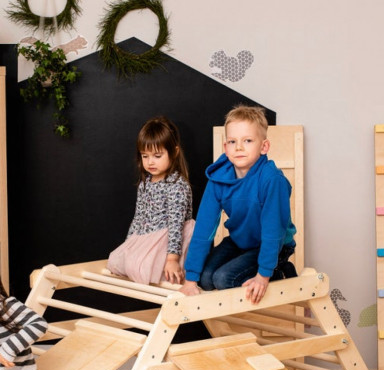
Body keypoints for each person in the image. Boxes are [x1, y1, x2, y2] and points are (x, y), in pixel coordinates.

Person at [181, 105, 297, 303]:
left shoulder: (271, 180)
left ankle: (280, 271)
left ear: (264, 147)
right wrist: (190, 278)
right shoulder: (219, 179)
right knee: (206, 279)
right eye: (233, 142)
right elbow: (204, 228)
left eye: (248, 141)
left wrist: (263, 275)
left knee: (223, 279)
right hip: (239, 241)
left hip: (272, 245)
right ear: (225, 148)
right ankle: (205, 275)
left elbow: (273, 231)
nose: (239, 147)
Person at [107, 115, 195, 285]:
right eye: (145, 156)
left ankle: (167, 264)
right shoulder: (145, 183)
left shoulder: (177, 185)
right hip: (147, 236)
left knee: (139, 267)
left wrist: (172, 259)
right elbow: (138, 217)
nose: (150, 162)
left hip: (169, 239)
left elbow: (176, 226)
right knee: (117, 260)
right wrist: (129, 246)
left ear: (174, 152)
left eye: (157, 155)